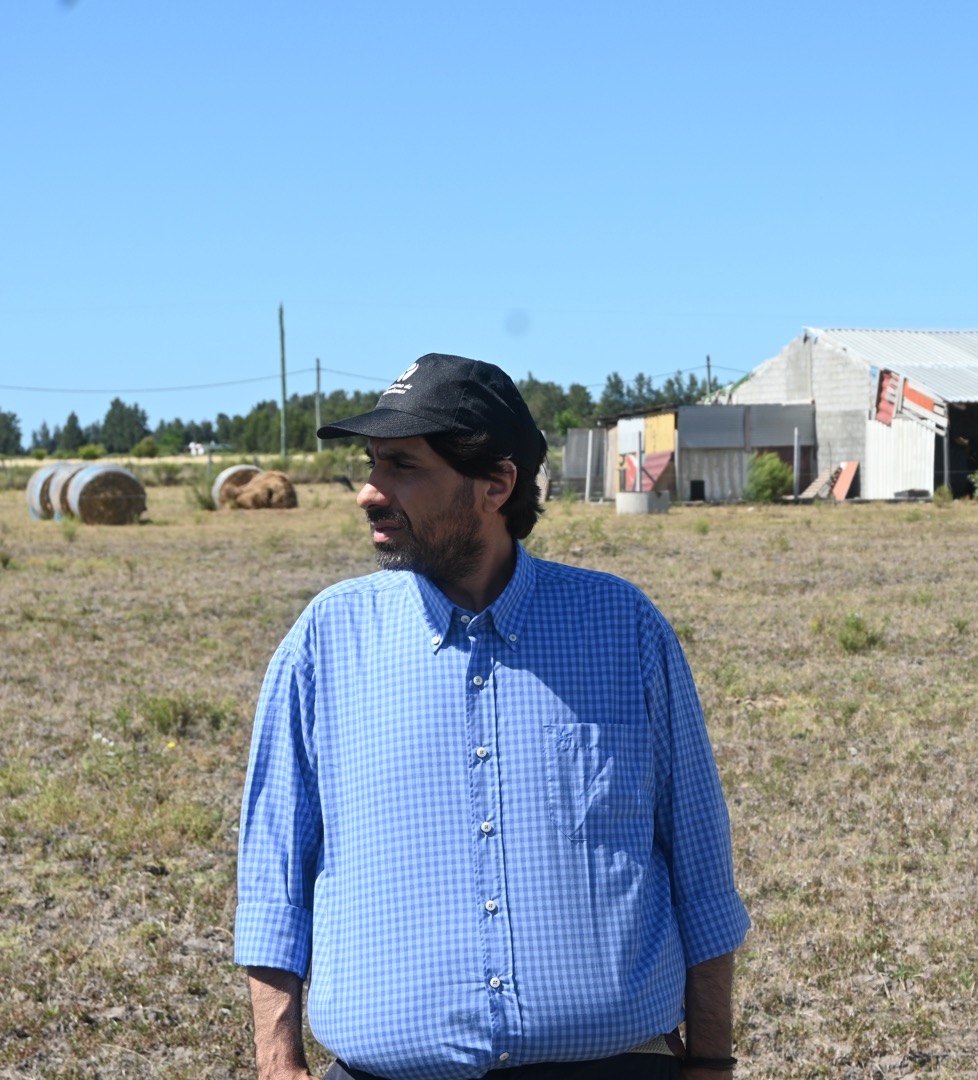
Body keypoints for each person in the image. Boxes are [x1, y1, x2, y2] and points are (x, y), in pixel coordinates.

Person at [234, 353, 749, 1080]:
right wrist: (276, 1063)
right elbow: (274, 877)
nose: (369, 493)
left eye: (403, 466)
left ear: (497, 484)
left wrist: (712, 1059)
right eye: (371, 465)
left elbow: (699, 865)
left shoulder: (623, 629)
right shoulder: (326, 640)